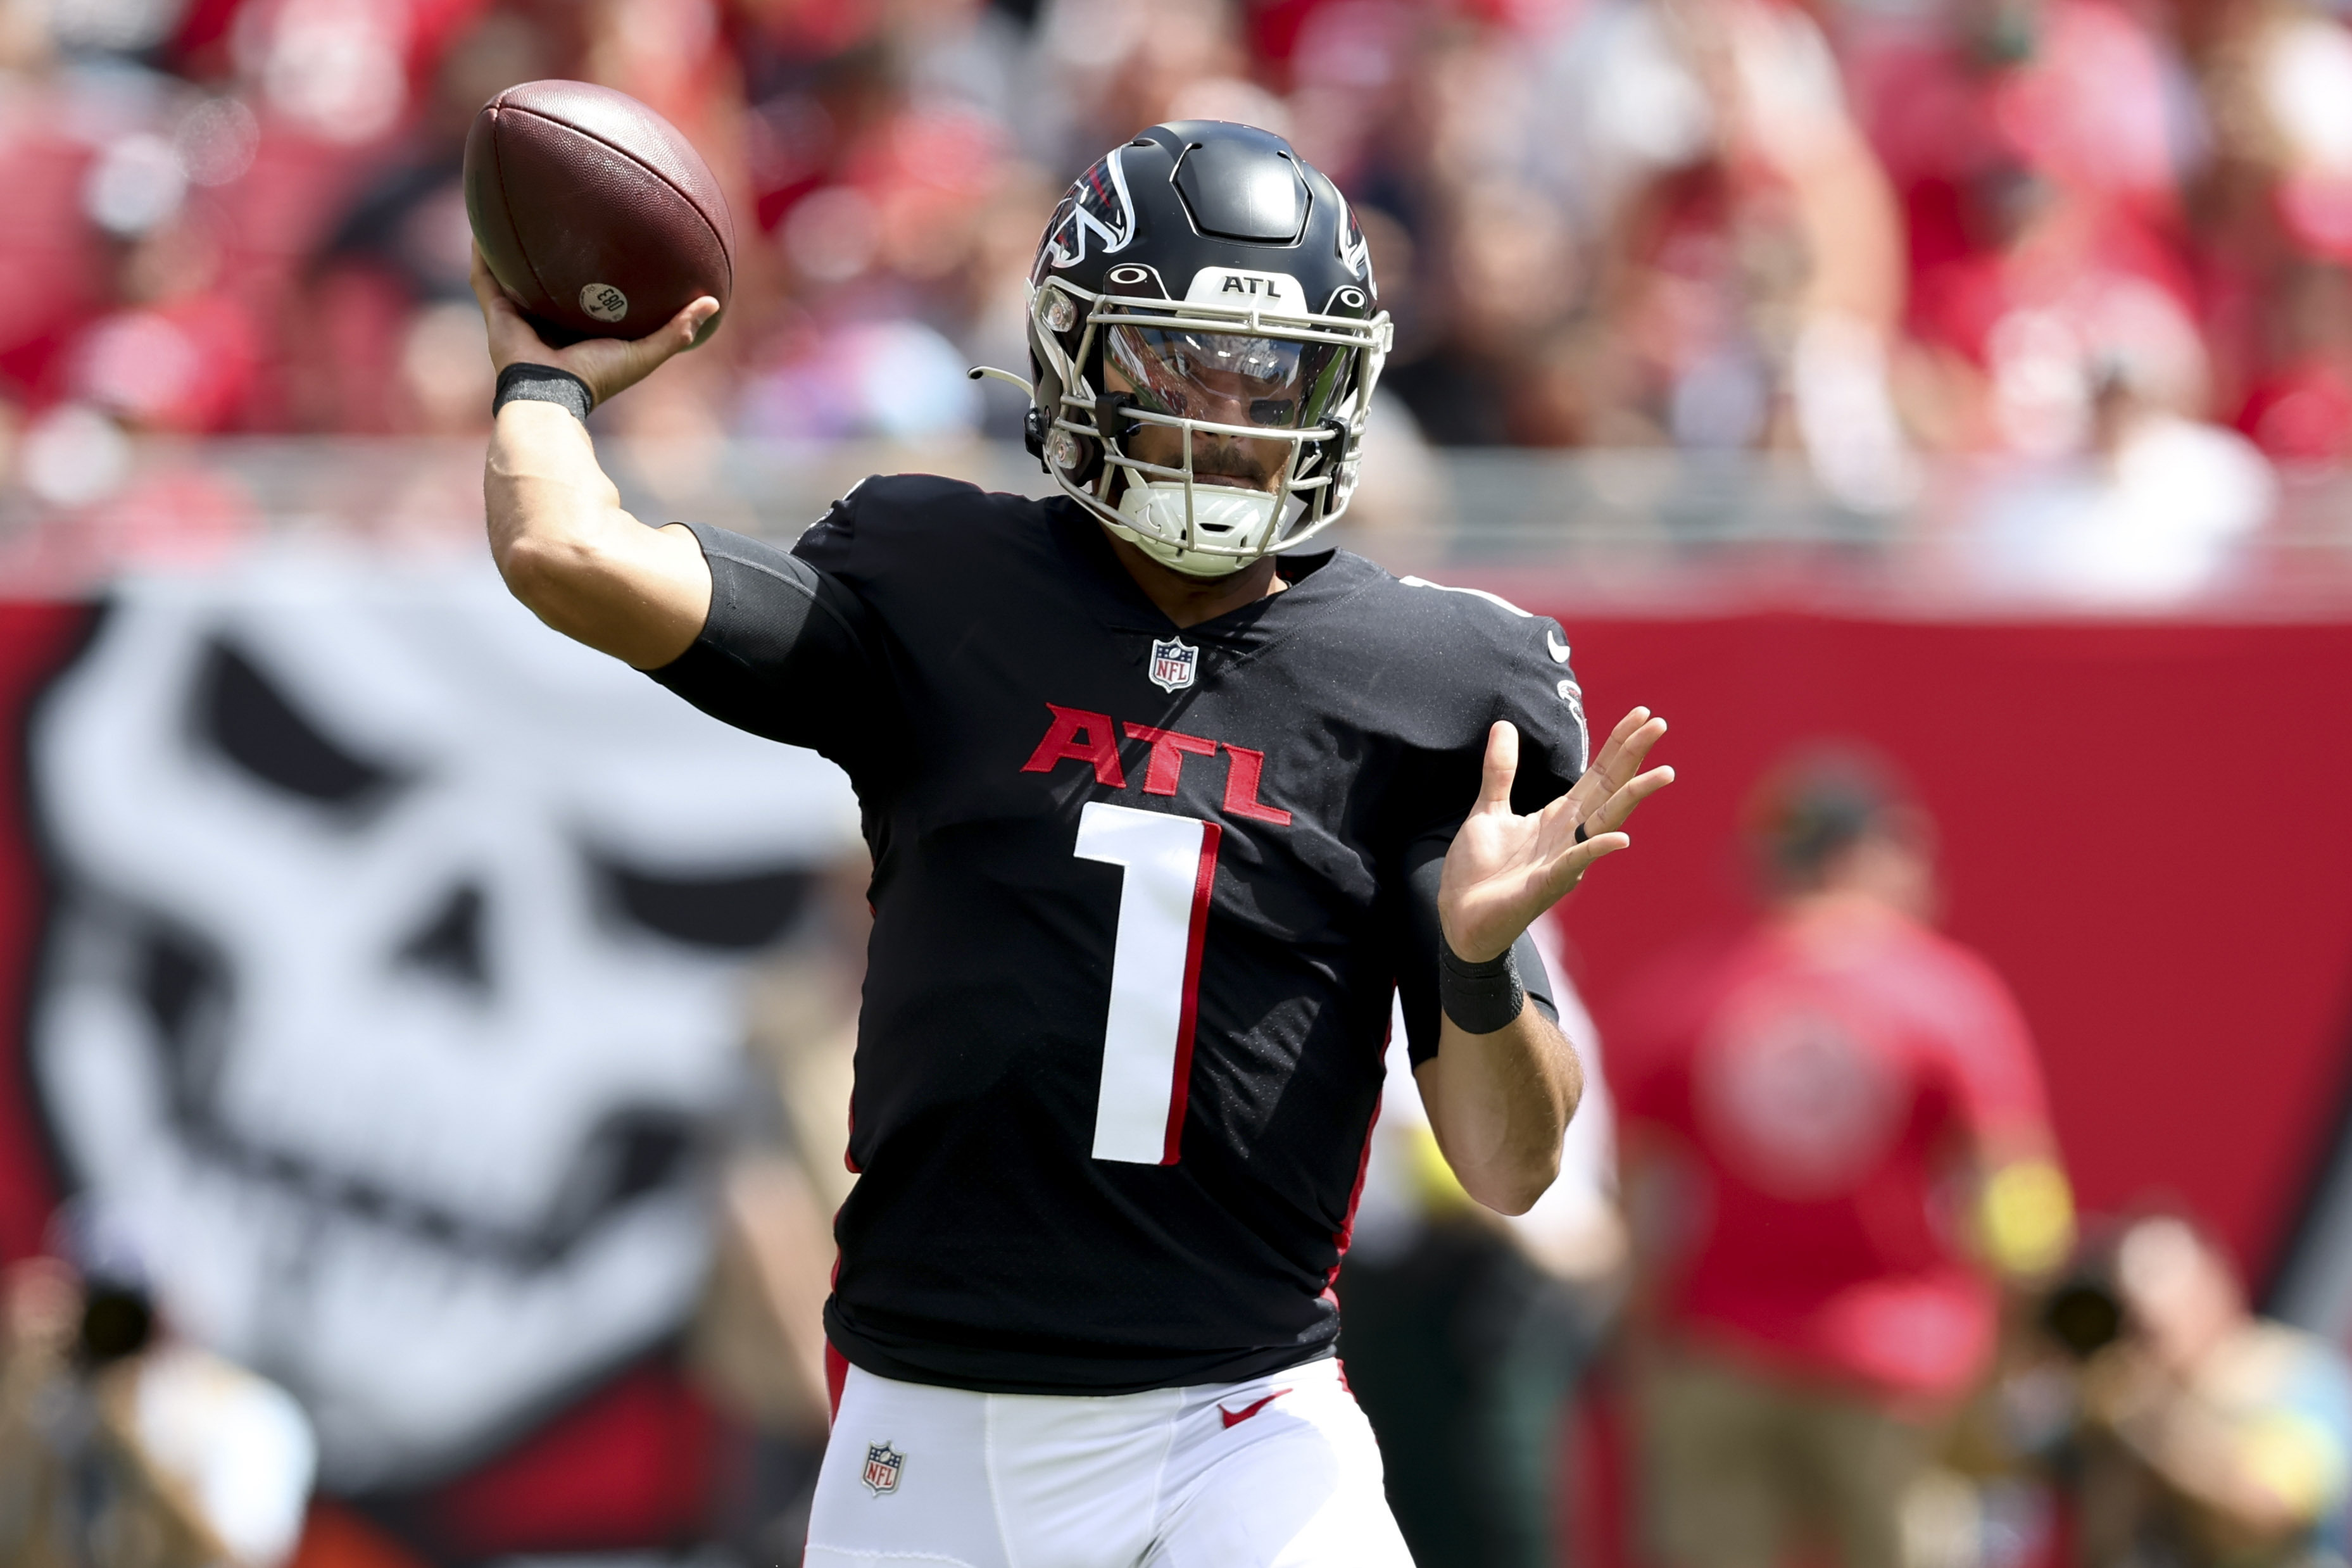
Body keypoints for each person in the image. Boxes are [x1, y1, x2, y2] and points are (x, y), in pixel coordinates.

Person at [468, 118, 1672, 1566]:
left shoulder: (1428, 683)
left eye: (1271, 375)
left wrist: (1474, 963)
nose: (1230, 414)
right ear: (1077, 357)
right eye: (1184, 362)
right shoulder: (939, 582)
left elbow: (1508, 1164)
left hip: (1245, 1415)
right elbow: (565, 551)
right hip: (944, 1418)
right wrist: (545, 369)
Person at [1609, 744, 2070, 1568]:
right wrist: (2014, 1347)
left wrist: (1645, 1348)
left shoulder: (1685, 994)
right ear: (1867, 851)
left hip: (1721, 1357)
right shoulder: (1944, 994)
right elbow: (2016, 1193)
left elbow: (1638, 1203)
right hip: (1904, 1365)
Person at [2078, 1215, 2352, 1568]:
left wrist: (2147, 1421)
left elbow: (2267, 1508)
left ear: (2214, 1281)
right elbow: (2002, 1449)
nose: (2145, 1304)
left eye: (2159, 1275)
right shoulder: (2107, 1399)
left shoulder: (2293, 1375)